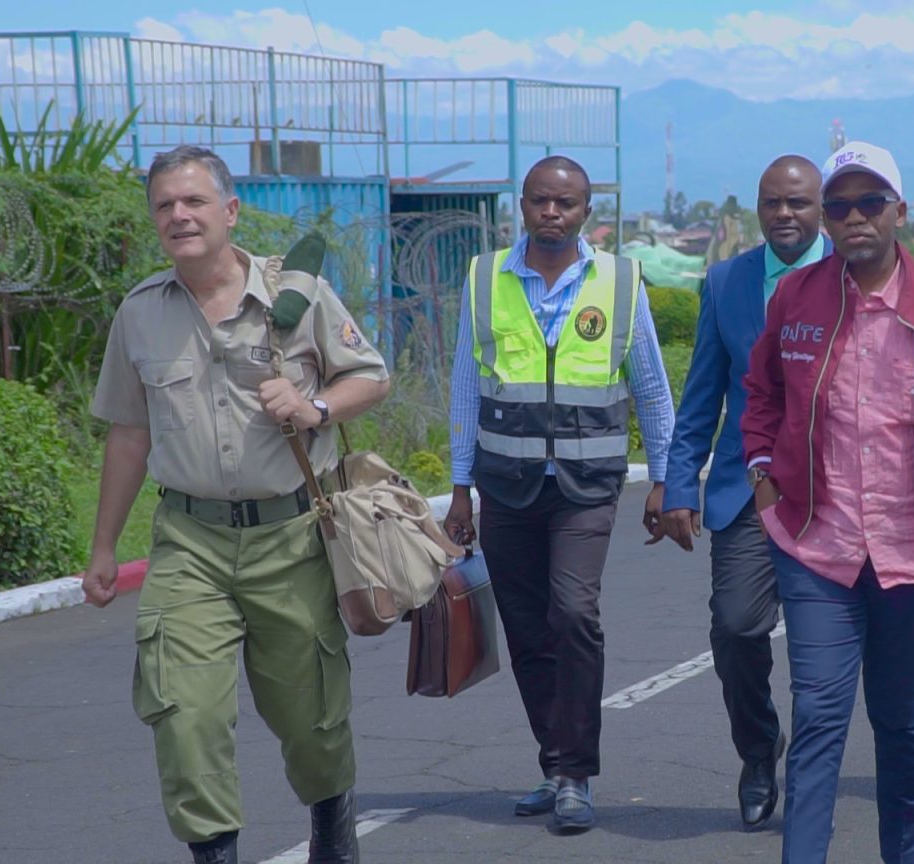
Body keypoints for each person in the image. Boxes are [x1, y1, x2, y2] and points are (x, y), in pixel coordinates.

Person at [81, 145, 391, 864]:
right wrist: (102, 548)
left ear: (229, 210)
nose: (179, 216)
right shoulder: (141, 313)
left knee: (313, 720)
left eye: (193, 202)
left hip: (290, 540)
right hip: (189, 542)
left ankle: (334, 835)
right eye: (165, 205)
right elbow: (128, 437)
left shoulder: (299, 294)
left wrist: (314, 405)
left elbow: (369, 378)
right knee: (183, 718)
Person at [742, 141, 914, 863]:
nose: (854, 217)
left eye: (871, 203)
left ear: (900, 210)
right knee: (821, 714)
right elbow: (762, 392)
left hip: (913, 550)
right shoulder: (795, 298)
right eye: (839, 205)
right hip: (815, 544)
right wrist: (763, 468)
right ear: (826, 219)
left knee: (898, 719)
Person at [442, 155, 675, 834]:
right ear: (522, 205)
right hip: (506, 485)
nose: (552, 213)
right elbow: (466, 384)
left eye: (565, 204)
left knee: (573, 614)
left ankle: (576, 772)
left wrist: (663, 478)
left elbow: (652, 388)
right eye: (540, 201)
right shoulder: (486, 277)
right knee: (526, 629)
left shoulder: (620, 281)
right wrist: (460, 489)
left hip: (586, 485)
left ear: (586, 213)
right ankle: (554, 767)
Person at [659, 155, 830, 830]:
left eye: (798, 203)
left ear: (820, 208)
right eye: (772, 203)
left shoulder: (851, 274)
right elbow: (702, 395)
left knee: (823, 648)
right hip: (748, 491)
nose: (784, 214)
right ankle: (759, 751)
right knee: (734, 628)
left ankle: (812, 778)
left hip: (834, 497)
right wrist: (680, 484)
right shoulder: (727, 281)